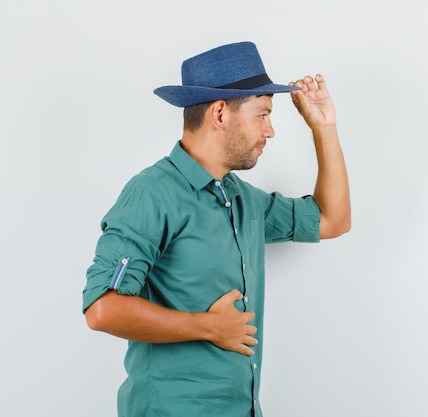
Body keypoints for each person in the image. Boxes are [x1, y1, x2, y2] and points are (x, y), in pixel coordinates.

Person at [82, 41, 351, 417]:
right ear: (220, 113)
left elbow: (332, 220)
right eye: (262, 115)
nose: (270, 130)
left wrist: (325, 129)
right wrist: (208, 326)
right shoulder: (152, 194)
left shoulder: (242, 199)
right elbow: (101, 309)